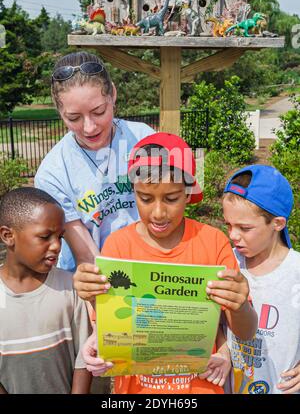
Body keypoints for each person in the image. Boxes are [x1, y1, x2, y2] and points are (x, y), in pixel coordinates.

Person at [73, 132, 258, 394]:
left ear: (188, 192)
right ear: (133, 192)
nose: (158, 213)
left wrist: (239, 305)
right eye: (145, 199)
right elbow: (107, 328)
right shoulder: (118, 246)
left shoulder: (213, 242)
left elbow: (246, 332)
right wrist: (91, 297)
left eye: (171, 198)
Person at [35, 51, 154, 272]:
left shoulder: (144, 139)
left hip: (149, 267)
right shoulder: (52, 173)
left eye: (98, 111)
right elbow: (86, 257)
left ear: (113, 95)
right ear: (60, 112)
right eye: (74, 118)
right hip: (95, 279)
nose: (89, 127)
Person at [0, 187, 92, 394]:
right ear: (8, 236)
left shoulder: (69, 287)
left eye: (60, 237)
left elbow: (84, 356)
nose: (56, 246)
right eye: (45, 237)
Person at [223, 165, 300, 394]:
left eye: (244, 228)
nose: (233, 235)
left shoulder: (296, 271)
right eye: (228, 224)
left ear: (277, 224)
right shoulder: (229, 263)